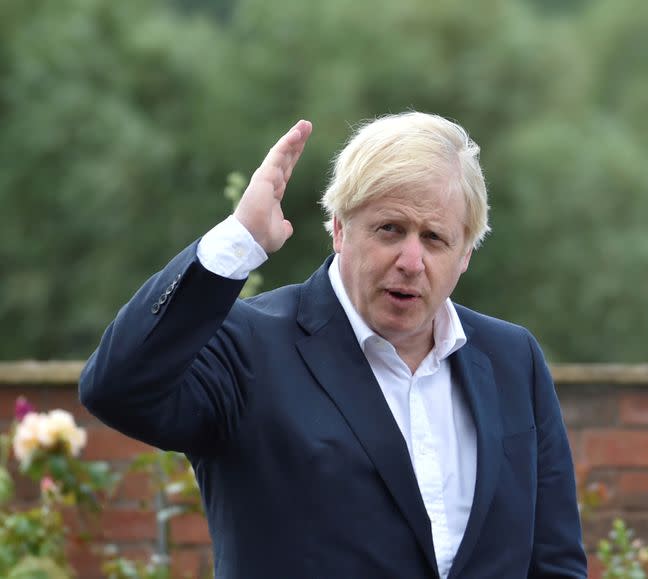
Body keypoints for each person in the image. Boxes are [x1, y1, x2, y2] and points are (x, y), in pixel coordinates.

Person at [80, 112, 587, 578]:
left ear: (466, 254)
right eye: (390, 229)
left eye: (434, 238)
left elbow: (554, 561)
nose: (412, 260)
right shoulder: (249, 346)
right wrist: (240, 239)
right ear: (341, 229)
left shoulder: (511, 358)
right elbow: (117, 389)